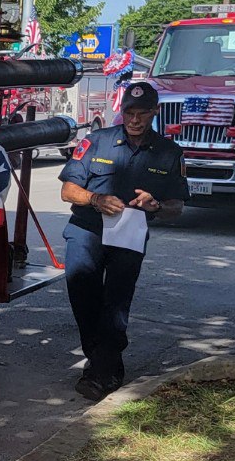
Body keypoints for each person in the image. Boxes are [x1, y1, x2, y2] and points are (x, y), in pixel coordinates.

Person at [59, 81, 188, 400]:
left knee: (116, 300)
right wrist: (94, 198)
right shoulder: (96, 141)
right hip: (86, 228)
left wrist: (156, 205)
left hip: (130, 230)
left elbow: (176, 208)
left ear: (154, 112)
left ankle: (102, 372)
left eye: (142, 113)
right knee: (82, 293)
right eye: (129, 112)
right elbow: (67, 191)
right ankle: (105, 361)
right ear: (122, 111)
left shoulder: (170, 153)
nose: (135, 120)